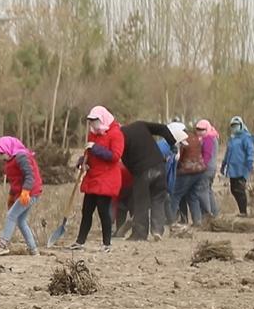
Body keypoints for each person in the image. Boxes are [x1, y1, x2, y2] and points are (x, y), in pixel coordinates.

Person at [70, 106, 124, 252]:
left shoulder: (116, 134)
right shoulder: (92, 134)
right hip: (93, 177)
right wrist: (83, 161)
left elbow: (115, 156)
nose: (92, 124)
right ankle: (80, 241)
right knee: (86, 210)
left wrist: (96, 149)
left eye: (94, 121)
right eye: (90, 121)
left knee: (102, 210)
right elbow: (89, 153)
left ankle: (107, 243)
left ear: (102, 119)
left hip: (107, 178)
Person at [118, 121, 180, 240]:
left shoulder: (120, 137)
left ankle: (139, 234)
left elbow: (125, 160)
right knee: (158, 199)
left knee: (141, 202)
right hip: (159, 165)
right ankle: (157, 230)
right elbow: (163, 128)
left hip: (142, 171)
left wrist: (134, 173)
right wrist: (172, 143)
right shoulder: (140, 124)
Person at [0, 136, 42, 256]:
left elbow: (30, 176)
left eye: (2, 154)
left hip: (31, 192)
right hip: (25, 192)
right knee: (21, 220)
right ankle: (33, 250)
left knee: (11, 215)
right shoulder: (9, 162)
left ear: (7, 149)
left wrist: (26, 191)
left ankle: (3, 244)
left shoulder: (21, 157)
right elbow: (15, 181)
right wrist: (11, 196)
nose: (1, 157)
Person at [171, 124, 211, 226]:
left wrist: (175, 167)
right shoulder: (195, 137)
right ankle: (197, 221)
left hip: (187, 171)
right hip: (200, 170)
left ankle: (170, 220)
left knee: (175, 195)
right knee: (192, 196)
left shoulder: (183, 139)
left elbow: (179, 157)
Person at [221, 116, 254, 216]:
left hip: (242, 168)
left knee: (240, 190)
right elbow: (228, 153)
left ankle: (243, 212)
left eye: (236, 125)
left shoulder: (246, 138)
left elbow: (250, 151)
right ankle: (242, 210)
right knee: (233, 189)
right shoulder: (232, 139)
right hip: (232, 169)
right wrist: (224, 165)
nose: (234, 128)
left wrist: (250, 162)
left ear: (241, 125)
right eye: (233, 126)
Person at [197, 119, 221, 216]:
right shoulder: (213, 137)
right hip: (212, 168)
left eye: (202, 129)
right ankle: (214, 212)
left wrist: (202, 166)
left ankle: (207, 214)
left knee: (202, 191)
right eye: (197, 129)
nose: (199, 131)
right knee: (208, 190)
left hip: (206, 168)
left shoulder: (208, 138)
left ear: (207, 129)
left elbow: (207, 155)